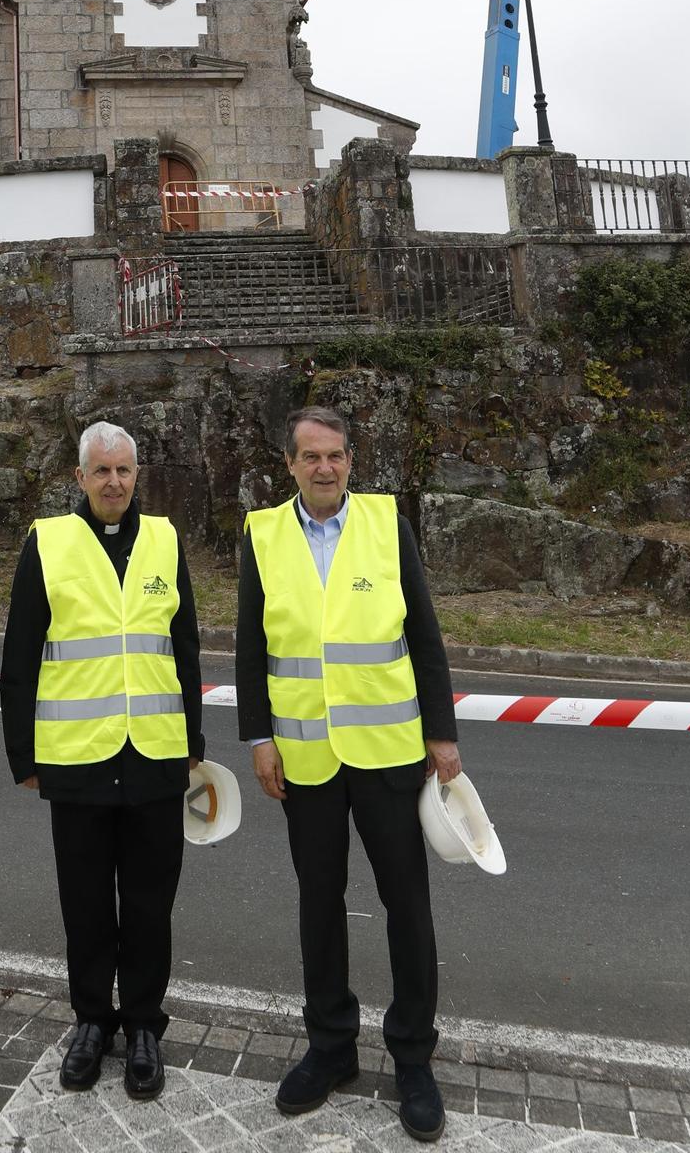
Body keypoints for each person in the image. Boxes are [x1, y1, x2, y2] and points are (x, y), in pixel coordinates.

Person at [236, 407, 460, 1141]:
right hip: (304, 759)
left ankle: (412, 1059)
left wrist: (441, 734)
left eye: (334, 455)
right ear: (290, 464)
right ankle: (330, 1048)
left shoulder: (384, 522)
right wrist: (258, 739)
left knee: (407, 907)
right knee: (318, 905)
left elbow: (421, 632)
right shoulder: (263, 535)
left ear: (350, 460)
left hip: (389, 754)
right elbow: (248, 646)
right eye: (309, 456)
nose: (323, 467)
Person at [0, 421, 203, 1100]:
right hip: (76, 759)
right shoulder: (47, 543)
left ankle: (143, 1025)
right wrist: (22, 755)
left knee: (149, 905)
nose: (113, 482)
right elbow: (21, 657)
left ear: (135, 475)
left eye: (123, 470)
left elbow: (186, 650)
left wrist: (192, 748)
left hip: (153, 756)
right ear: (80, 478)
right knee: (86, 906)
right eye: (101, 471)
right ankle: (91, 1021)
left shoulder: (165, 540)